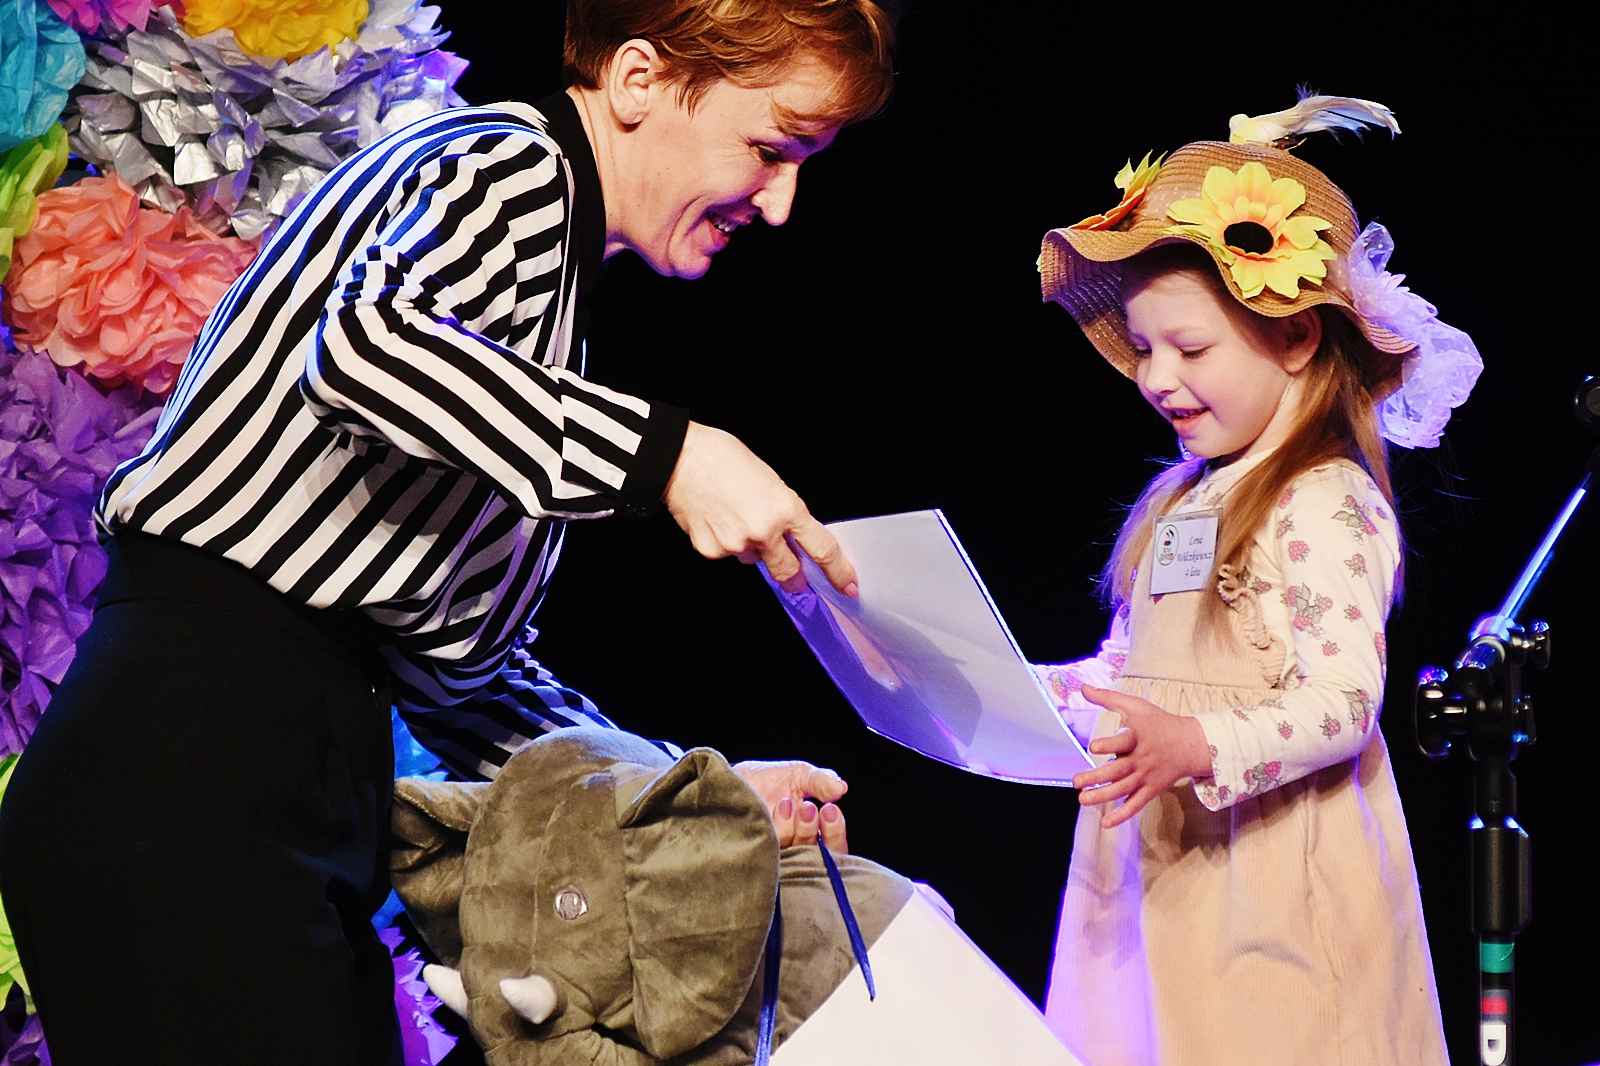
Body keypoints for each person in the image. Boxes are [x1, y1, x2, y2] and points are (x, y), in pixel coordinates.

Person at [0, 1, 896, 1063]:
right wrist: (672, 455)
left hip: (272, 784)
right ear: (639, 80)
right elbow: (363, 353)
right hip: (196, 761)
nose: (781, 203)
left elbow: (459, 671)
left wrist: (685, 792)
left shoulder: (543, 290)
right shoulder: (511, 168)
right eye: (771, 149)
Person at [1029, 99, 1481, 1066]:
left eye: (1191, 349)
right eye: (1144, 348)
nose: (1156, 378)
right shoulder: (1183, 498)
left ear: (1296, 338)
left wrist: (1196, 743)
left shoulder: (1321, 499)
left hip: (1265, 885)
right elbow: (1131, 672)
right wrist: (1016, 690)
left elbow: (1343, 702)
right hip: (1160, 878)